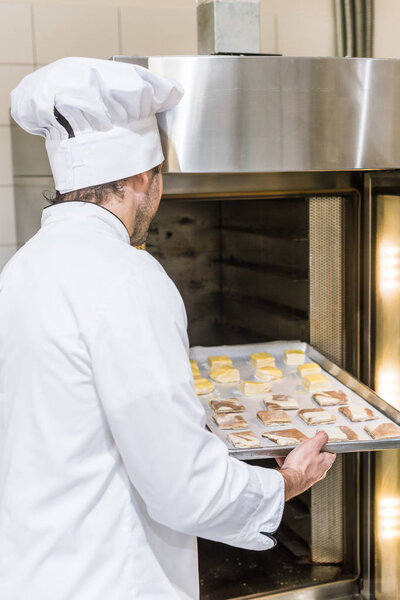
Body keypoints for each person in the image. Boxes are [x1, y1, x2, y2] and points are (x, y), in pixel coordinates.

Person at [0, 57, 336, 600]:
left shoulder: (23, 268)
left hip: (34, 568)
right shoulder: (126, 276)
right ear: (140, 177)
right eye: (160, 178)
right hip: (107, 576)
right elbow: (183, 487)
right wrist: (284, 482)